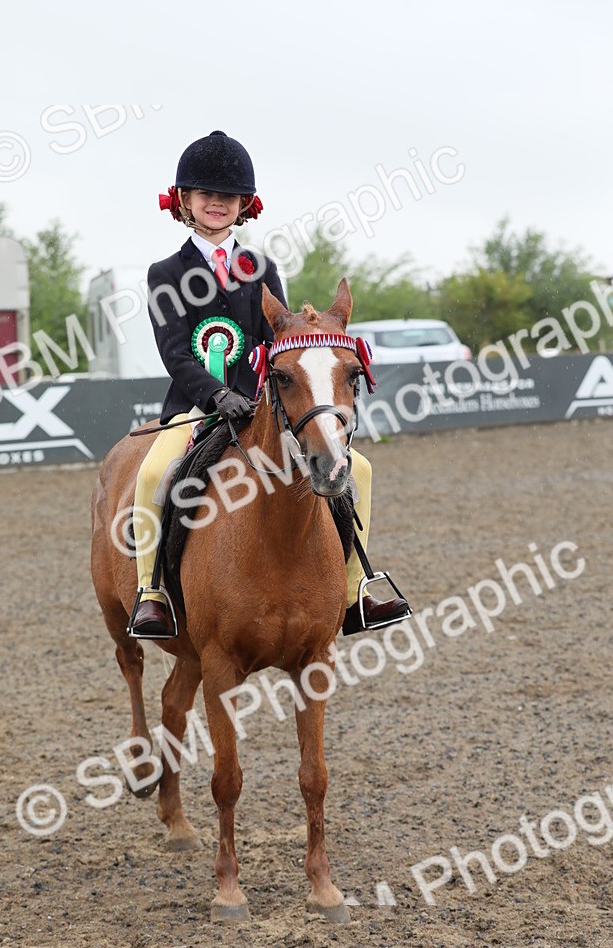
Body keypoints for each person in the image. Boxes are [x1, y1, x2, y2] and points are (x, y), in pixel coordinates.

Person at [129, 130, 410, 639]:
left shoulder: (260, 268)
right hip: (197, 407)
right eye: (206, 194)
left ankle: (355, 591)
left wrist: (273, 385)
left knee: (361, 470)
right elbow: (174, 352)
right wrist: (217, 394)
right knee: (153, 474)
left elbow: (278, 338)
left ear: (244, 205)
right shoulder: (164, 273)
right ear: (184, 201)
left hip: (262, 410)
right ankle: (153, 594)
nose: (217, 203)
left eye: (228, 196)